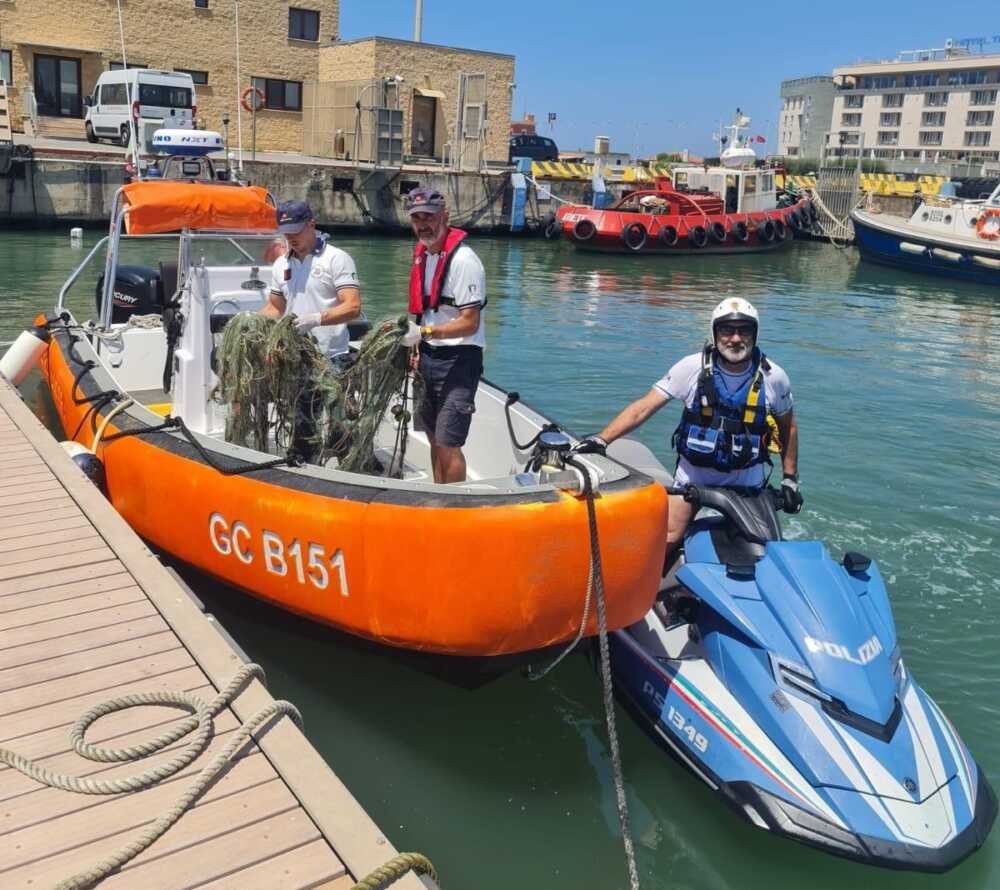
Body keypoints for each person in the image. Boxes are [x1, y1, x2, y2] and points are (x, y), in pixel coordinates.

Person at [573, 298, 801, 562]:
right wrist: (601, 439)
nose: (735, 338)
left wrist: (789, 479)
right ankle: (648, 594)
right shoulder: (690, 368)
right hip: (694, 476)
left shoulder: (775, 377)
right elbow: (644, 407)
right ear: (715, 333)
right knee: (667, 538)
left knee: (764, 550)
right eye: (727, 330)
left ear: (755, 334)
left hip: (746, 481)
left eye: (744, 330)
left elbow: (788, 428)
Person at [261, 199, 362, 460]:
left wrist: (316, 318)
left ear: (311, 224)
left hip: (334, 358)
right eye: (287, 232)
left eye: (296, 229)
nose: (291, 237)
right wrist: (250, 322)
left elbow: (353, 307)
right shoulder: (281, 265)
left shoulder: (337, 259)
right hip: (298, 359)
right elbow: (275, 308)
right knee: (303, 424)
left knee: (343, 429)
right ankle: (306, 469)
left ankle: (352, 472)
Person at [399, 187, 486, 483]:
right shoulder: (424, 255)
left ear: (445, 216)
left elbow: (470, 323)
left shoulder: (464, 261)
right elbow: (424, 308)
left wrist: (424, 332)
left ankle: (455, 508)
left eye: (429, 217)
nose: (423, 224)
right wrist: (417, 346)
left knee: (449, 445)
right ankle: (439, 498)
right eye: (417, 219)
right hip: (429, 357)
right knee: (435, 439)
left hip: (460, 360)